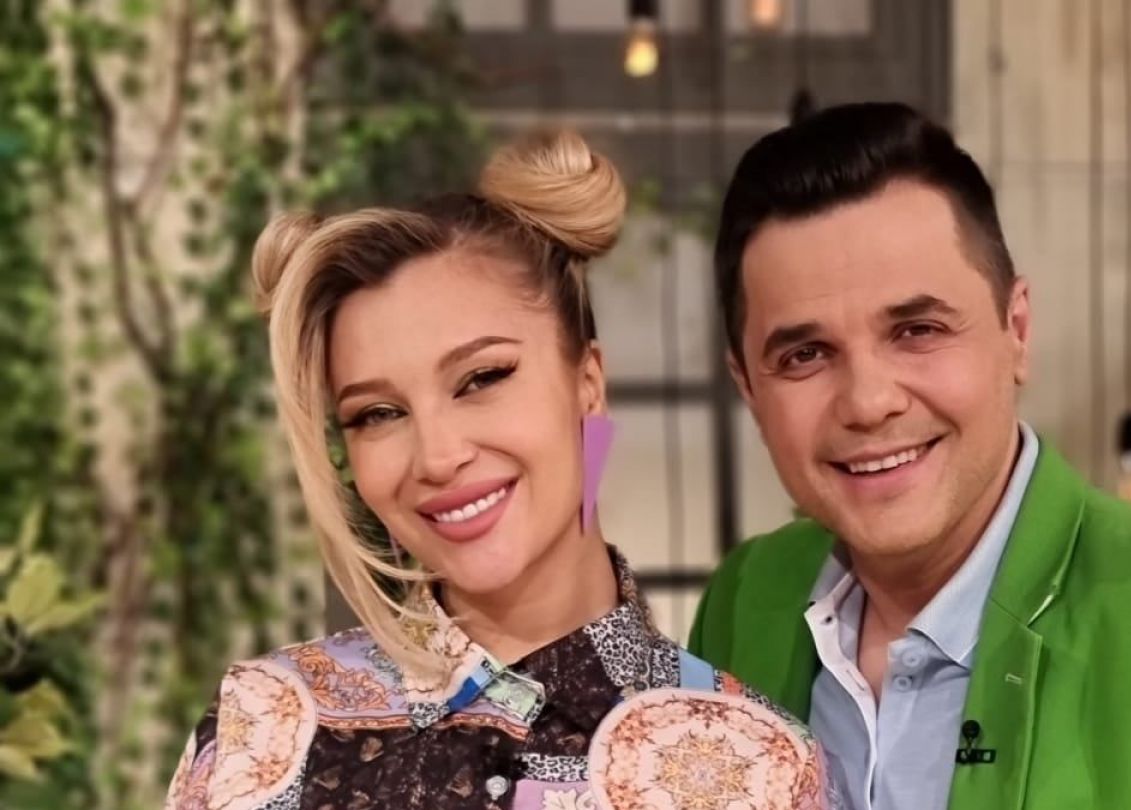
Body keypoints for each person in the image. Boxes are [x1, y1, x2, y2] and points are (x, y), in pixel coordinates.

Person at [688, 102, 1131, 809]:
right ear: (748, 386)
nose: (869, 402)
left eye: (917, 331)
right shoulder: (747, 600)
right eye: (806, 355)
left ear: (1017, 330)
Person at [165, 129, 833, 810]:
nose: (437, 456)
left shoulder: (759, 765)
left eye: (482, 378)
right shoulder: (263, 728)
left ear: (587, 383)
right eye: (378, 414)